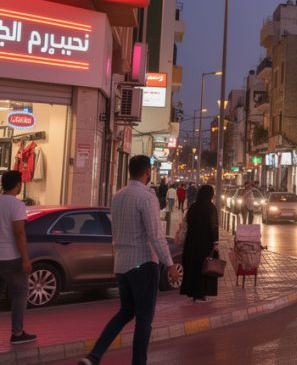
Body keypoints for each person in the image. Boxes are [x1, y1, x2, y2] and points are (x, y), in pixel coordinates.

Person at [81, 156, 178, 365]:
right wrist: (170, 264)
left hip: (122, 265)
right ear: (148, 172)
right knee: (144, 320)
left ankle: (94, 356)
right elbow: (155, 235)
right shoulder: (147, 197)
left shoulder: (118, 196)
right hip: (143, 264)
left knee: (125, 312)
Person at [0, 170, 35, 345]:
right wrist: (25, 259)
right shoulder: (17, 205)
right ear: (18, 185)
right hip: (11, 257)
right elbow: (19, 233)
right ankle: (17, 332)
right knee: (20, 293)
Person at [180, 184, 219, 302]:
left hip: (191, 242)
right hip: (205, 243)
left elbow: (186, 222)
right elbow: (213, 226)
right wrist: (216, 242)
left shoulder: (193, 207)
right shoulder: (211, 207)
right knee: (204, 267)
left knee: (193, 266)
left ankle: (192, 292)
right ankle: (201, 294)